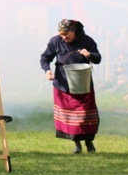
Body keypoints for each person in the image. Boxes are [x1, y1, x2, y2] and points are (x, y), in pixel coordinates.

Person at [40, 19, 102, 154]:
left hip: (83, 84)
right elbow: (45, 58)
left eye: (66, 34)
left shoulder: (87, 41)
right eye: (61, 34)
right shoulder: (55, 41)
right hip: (63, 85)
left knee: (85, 116)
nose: (64, 37)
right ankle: (77, 145)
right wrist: (47, 70)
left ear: (74, 31)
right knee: (71, 118)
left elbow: (98, 58)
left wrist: (89, 55)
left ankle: (89, 142)